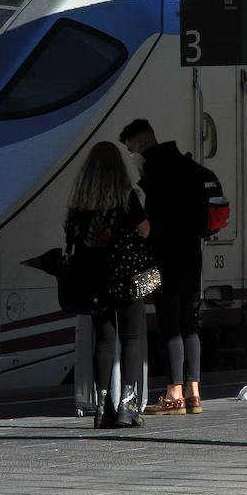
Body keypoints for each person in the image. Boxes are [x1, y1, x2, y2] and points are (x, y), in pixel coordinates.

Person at [119, 118, 207, 415]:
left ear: (141, 143)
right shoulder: (187, 166)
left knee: (169, 324)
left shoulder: (154, 171)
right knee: (189, 322)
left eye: (132, 149)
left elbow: (153, 221)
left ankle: (173, 394)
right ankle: (194, 393)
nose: (132, 156)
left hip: (165, 255)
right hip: (192, 254)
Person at [64, 141, 152, 428]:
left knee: (103, 341)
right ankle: (128, 406)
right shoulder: (126, 196)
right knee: (131, 339)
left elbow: (71, 234)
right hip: (125, 275)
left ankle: (103, 408)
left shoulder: (80, 199)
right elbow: (145, 229)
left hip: (93, 279)